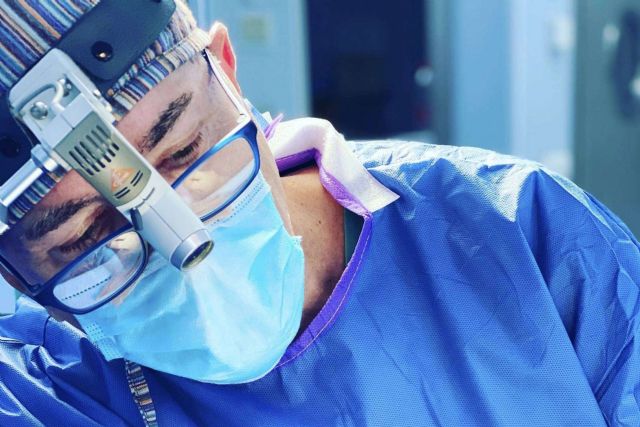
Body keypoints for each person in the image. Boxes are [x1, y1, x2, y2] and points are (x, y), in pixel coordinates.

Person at [0, 1, 638, 426]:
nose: (188, 247)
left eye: (185, 152)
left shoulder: (515, 231)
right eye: (87, 234)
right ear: (13, 275)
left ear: (227, 72)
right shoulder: (51, 393)